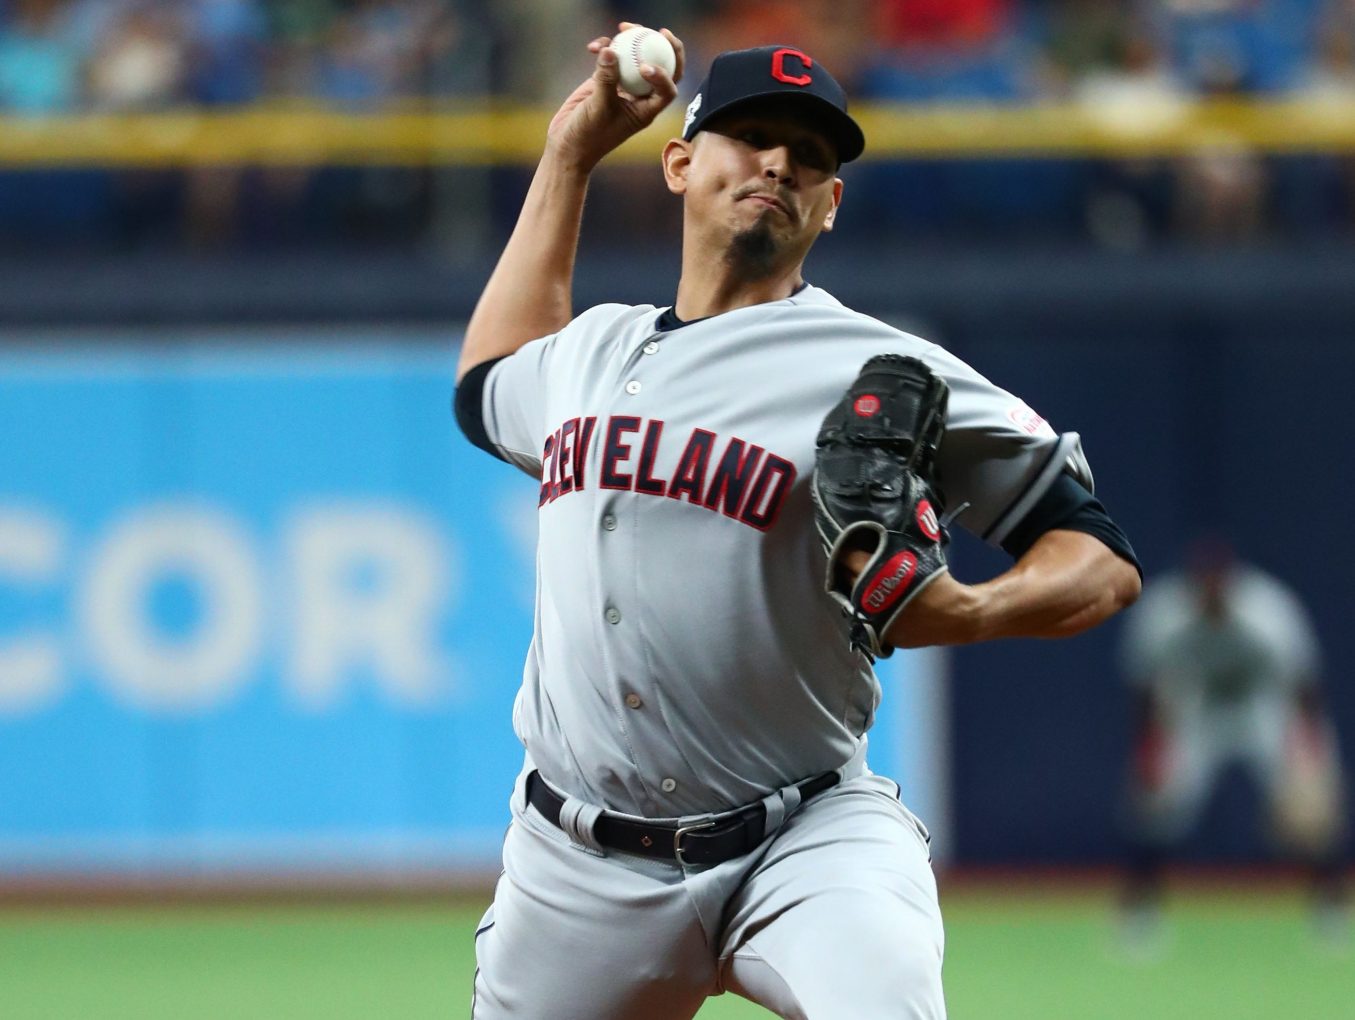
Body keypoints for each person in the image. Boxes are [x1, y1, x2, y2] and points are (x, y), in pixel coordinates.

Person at [454, 25, 1141, 1018]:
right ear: (680, 164)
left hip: (803, 840)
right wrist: (568, 154)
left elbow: (1099, 556)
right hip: (578, 864)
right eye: (748, 135)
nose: (777, 160)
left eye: (808, 154)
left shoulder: (874, 367)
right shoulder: (587, 352)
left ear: (829, 204)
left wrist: (967, 611)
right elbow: (483, 384)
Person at [1119, 539, 1349, 946]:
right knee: (1160, 800)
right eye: (1203, 585)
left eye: (1218, 586)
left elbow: (1304, 686)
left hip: (1262, 707)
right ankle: (1140, 910)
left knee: (1310, 805)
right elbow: (1147, 689)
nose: (1211, 594)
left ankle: (1330, 906)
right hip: (1197, 709)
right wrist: (1150, 750)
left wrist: (1310, 752)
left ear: (1231, 584)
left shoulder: (1268, 609)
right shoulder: (1165, 612)